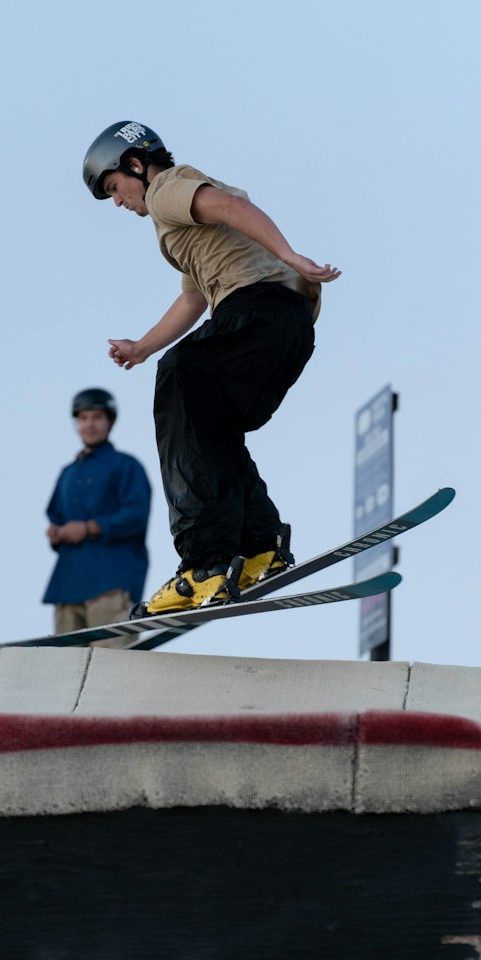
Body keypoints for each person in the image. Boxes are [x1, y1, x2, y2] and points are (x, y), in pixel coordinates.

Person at [82, 120, 341, 614]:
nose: (119, 202)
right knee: (207, 425)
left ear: (135, 165)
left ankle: (202, 566)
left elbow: (230, 208)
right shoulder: (184, 226)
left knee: (181, 385)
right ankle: (259, 546)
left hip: (256, 314)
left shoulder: (167, 190)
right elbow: (195, 299)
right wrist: (141, 347)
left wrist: (289, 254)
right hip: (286, 329)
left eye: (115, 188)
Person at [44, 387, 151, 644]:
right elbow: (56, 515)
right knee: (68, 673)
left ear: (110, 421)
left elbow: (135, 515)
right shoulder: (68, 473)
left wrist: (90, 527)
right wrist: (56, 533)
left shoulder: (126, 466)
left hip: (110, 582)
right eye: (83, 418)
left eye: (96, 417)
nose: (89, 424)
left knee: (111, 671)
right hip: (67, 585)